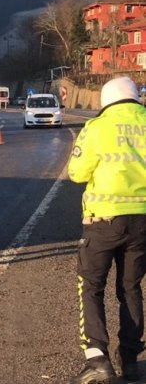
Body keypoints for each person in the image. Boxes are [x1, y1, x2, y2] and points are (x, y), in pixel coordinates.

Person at [68, 77, 146, 384]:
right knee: (130, 288)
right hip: (142, 220)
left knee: (90, 286)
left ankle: (97, 359)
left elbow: (76, 173)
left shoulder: (97, 128)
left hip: (103, 221)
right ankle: (130, 359)